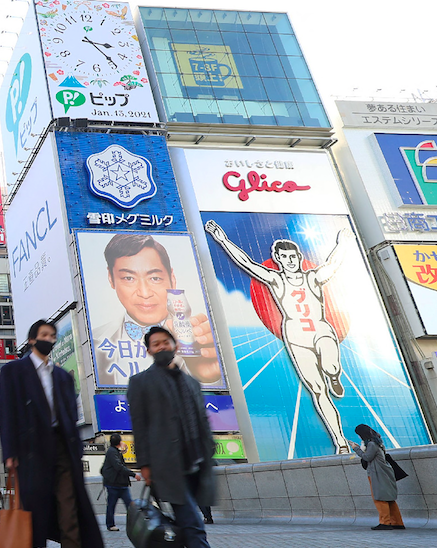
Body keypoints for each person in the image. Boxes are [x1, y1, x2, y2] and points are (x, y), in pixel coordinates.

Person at [206, 221, 353, 454]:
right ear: (278, 259)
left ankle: (334, 375)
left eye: (293, 256)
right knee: (317, 390)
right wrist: (222, 239)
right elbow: (247, 263)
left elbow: (332, 264)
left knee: (331, 365)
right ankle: (340, 441)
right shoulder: (276, 280)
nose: (290, 260)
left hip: (321, 330)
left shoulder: (312, 277)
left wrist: (342, 243)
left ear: (298, 256)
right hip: (295, 336)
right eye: (285, 257)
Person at [0, 319, 103, 548]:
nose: (49, 339)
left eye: (52, 336)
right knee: (36, 512)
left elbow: (71, 416)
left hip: (62, 448)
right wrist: (10, 452)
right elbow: (7, 413)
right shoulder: (13, 371)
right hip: (31, 451)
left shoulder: (63, 376)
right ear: (32, 340)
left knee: (70, 509)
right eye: (44, 335)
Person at [128, 327, 216, 548]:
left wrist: (209, 449)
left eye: (165, 342)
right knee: (194, 523)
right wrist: (145, 464)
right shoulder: (140, 382)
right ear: (149, 350)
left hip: (197, 463)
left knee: (186, 525)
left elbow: (202, 420)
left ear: (175, 345)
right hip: (166, 465)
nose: (161, 347)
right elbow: (140, 425)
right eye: (156, 344)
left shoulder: (191, 383)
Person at [92, 233, 219, 386]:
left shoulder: (200, 335)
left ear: (172, 278)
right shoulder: (94, 340)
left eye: (155, 278)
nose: (145, 293)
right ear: (111, 278)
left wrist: (208, 379)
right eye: (128, 278)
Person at [349, 424, 405, 530]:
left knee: (379, 498)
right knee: (389, 498)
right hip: (384, 472)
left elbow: (367, 457)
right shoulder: (377, 443)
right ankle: (397, 522)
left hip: (377, 473)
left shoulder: (371, 444)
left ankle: (385, 523)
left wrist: (356, 449)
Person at [101, 433, 142, 531]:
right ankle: (110, 525)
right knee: (112, 505)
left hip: (120, 484)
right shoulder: (112, 452)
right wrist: (133, 474)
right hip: (114, 484)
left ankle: (134, 524)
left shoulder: (113, 451)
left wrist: (122, 450)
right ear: (119, 442)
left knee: (129, 505)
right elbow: (119, 467)